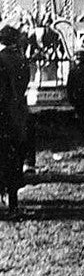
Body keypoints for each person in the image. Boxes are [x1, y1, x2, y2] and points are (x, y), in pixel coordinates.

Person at [0, 26, 30, 211]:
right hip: (18, 114)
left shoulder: (0, 59)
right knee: (14, 158)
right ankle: (13, 204)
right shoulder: (22, 59)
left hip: (2, 114)